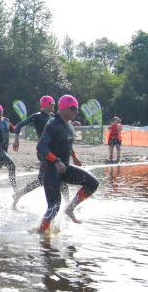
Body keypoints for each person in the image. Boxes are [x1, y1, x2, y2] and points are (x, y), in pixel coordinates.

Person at [36, 95, 99, 232]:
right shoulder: (52, 124)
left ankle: (70, 209)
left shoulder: (69, 125)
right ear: (63, 108)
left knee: (93, 183)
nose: (76, 111)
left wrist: (74, 157)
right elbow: (41, 146)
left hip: (64, 168)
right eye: (73, 108)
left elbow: (66, 144)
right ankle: (41, 233)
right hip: (50, 169)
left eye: (76, 109)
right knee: (54, 207)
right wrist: (56, 160)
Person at [11, 95, 68, 208]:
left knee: (44, 179)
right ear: (44, 104)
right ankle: (68, 204)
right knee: (57, 176)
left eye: (53, 103)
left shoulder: (54, 117)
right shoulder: (37, 117)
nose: (53, 105)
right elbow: (19, 125)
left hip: (54, 151)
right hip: (43, 151)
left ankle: (68, 204)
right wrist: (16, 140)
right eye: (50, 103)